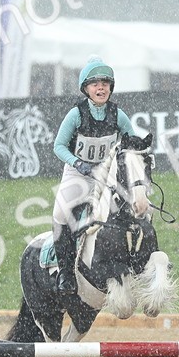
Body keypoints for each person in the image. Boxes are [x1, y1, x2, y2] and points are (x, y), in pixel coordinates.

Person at [51, 56, 137, 295]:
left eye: (105, 84)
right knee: (60, 212)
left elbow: (132, 142)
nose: (101, 88)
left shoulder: (118, 115)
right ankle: (66, 273)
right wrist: (78, 163)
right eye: (95, 84)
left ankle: (138, 259)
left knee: (135, 207)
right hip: (78, 174)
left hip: (107, 175)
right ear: (86, 89)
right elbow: (59, 146)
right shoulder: (76, 114)